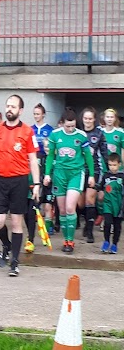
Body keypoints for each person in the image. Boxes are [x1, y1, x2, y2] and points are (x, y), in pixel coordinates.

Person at [0, 94, 40, 277]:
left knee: (17, 222)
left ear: (21, 111)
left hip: (19, 181)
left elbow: (33, 159)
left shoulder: (27, 131)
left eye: (13, 107)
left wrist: (37, 183)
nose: (9, 109)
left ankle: (14, 261)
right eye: (7, 106)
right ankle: (6, 245)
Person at [44, 109, 95, 254]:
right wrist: (47, 174)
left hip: (76, 173)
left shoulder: (81, 136)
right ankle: (65, 239)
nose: (70, 129)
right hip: (60, 173)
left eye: (73, 126)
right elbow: (50, 156)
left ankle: (71, 241)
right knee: (62, 210)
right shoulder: (55, 135)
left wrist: (91, 175)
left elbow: (88, 157)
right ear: (62, 124)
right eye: (68, 126)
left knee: (70, 207)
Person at [78, 106, 108, 243]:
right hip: (78, 171)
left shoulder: (99, 133)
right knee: (81, 204)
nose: (88, 121)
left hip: (94, 170)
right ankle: (86, 222)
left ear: (94, 119)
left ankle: (89, 231)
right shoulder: (77, 132)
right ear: (82, 119)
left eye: (90, 118)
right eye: (85, 118)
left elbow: (105, 154)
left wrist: (106, 176)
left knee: (91, 200)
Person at [99, 153, 124, 254]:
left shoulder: (122, 176)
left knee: (117, 226)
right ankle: (106, 241)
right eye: (110, 165)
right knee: (107, 223)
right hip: (107, 204)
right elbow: (100, 187)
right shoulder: (106, 176)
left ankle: (114, 244)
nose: (112, 167)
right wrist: (100, 192)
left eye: (114, 165)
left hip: (118, 205)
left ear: (119, 164)